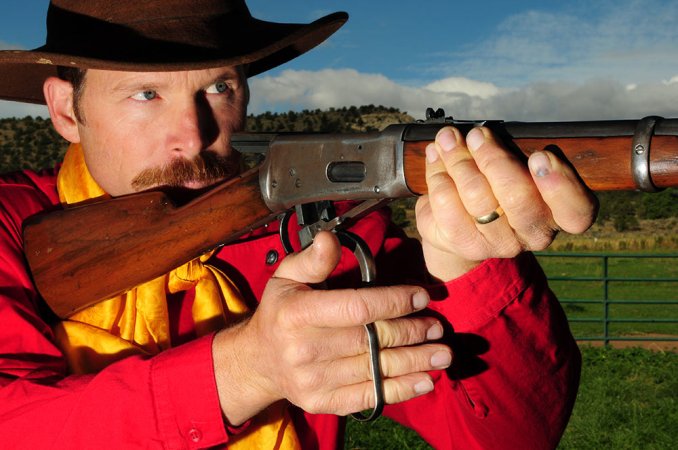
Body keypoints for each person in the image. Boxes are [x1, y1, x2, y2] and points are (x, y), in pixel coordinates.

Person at [0, 1, 597, 448]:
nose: (195, 133)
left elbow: (508, 436)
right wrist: (241, 371)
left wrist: (468, 265)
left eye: (219, 85)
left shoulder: (315, 232)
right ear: (64, 110)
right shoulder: (14, 226)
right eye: (146, 94)